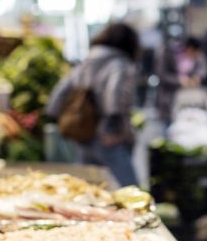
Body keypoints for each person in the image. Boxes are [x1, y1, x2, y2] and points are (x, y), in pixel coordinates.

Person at [46, 22, 140, 187]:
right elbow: (114, 95)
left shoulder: (87, 61)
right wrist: (113, 129)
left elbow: (60, 92)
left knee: (88, 187)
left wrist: (54, 117)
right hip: (108, 135)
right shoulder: (120, 64)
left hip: (83, 132)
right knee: (131, 188)